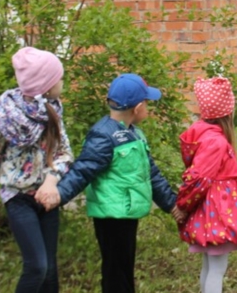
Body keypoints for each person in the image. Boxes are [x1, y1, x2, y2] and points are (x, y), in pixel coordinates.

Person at [39, 73, 182, 293]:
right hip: (111, 216)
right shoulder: (104, 135)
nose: (149, 109)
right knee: (116, 272)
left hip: (127, 213)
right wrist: (59, 195)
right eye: (148, 104)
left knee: (123, 269)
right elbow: (83, 170)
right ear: (138, 107)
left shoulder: (135, 134)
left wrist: (171, 205)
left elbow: (151, 174)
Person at [0, 47, 74, 293]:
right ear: (46, 85)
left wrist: (51, 180)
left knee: (50, 271)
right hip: (17, 198)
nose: (63, 82)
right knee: (37, 267)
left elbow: (64, 153)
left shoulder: (53, 110)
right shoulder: (5, 116)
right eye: (59, 78)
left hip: (47, 197)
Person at [176, 77, 237, 293]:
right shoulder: (216, 142)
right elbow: (199, 178)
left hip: (212, 211)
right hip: (218, 212)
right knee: (217, 268)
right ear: (227, 112)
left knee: (210, 264)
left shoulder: (206, 135)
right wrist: (183, 205)